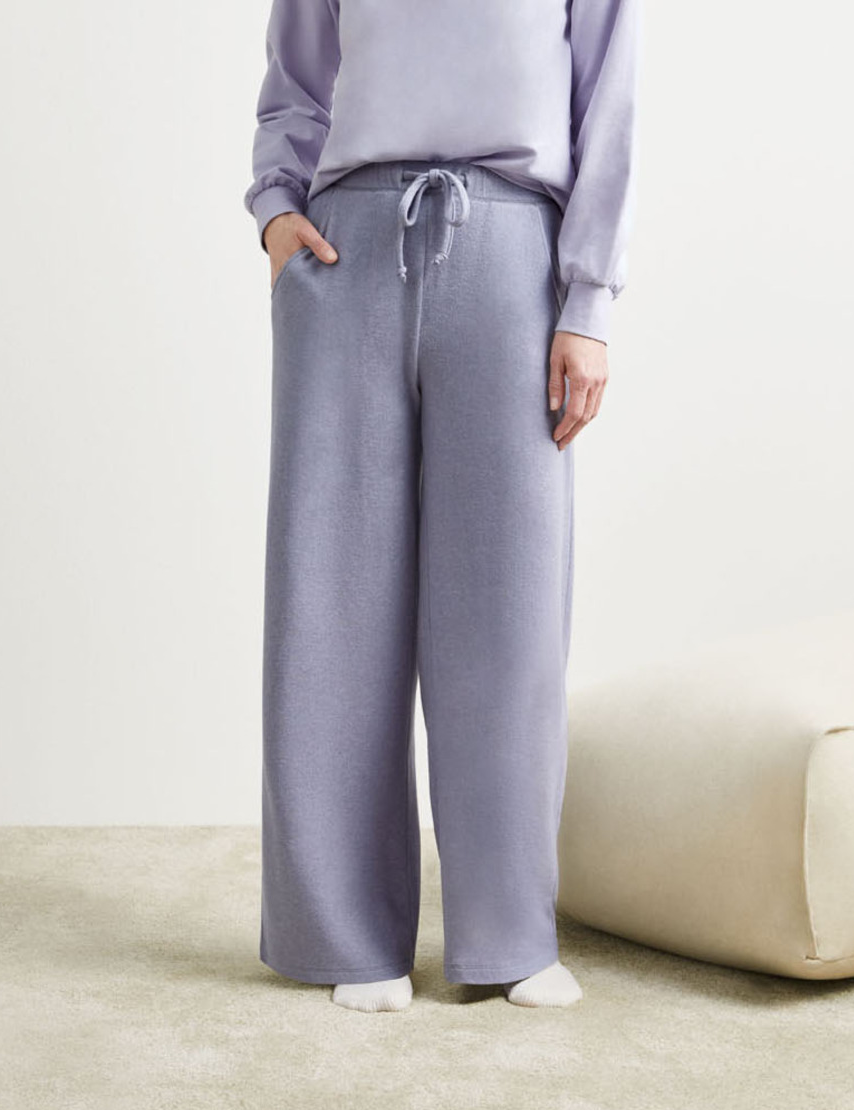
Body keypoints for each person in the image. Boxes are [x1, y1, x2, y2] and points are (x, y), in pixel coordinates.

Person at [245, 0, 641, 1012]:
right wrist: (278, 211)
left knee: (507, 612)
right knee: (331, 602)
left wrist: (589, 301)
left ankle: (510, 935)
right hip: (346, 251)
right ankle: (347, 936)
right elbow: (296, 78)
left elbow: (608, 96)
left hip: (514, 253)